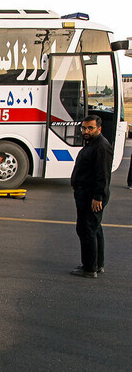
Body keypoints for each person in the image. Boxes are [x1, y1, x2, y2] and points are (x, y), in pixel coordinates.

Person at [70, 115, 113, 279]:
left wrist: (98, 197)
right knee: (95, 229)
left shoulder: (101, 147)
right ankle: (96, 264)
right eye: (83, 128)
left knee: (86, 229)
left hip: (91, 196)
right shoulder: (92, 144)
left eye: (90, 128)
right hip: (86, 193)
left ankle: (89, 268)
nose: (85, 131)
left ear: (99, 129)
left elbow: (103, 175)